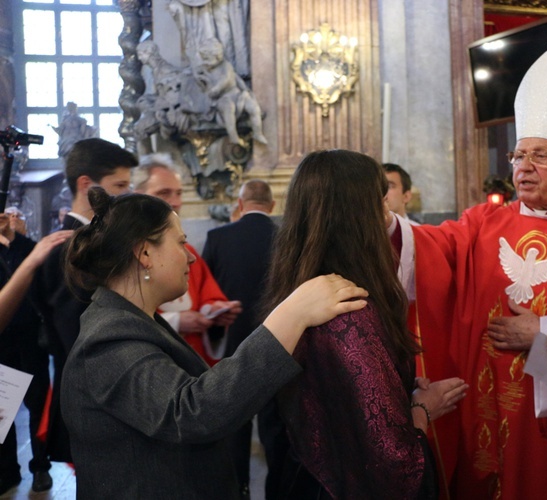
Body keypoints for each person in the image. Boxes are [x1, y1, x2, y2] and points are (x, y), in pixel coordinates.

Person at [390, 46, 547, 499]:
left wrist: (546, 333)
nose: (523, 168)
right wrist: (379, 221)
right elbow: (424, 249)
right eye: (518, 156)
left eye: (541, 156)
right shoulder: (481, 224)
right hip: (479, 408)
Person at [59, 186, 368, 499]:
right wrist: (290, 316)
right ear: (145, 253)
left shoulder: (131, 319)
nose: (191, 256)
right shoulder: (108, 337)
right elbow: (192, 412)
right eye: (181, 243)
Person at [265, 149, 469, 499]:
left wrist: (398, 383)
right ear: (357, 217)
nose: (386, 214)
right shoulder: (349, 316)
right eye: (379, 203)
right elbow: (394, 465)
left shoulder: (308, 291)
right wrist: (423, 408)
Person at [33, 137, 137, 464]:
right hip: (92, 402)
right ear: (86, 185)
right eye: (119, 185)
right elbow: (78, 338)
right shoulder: (71, 249)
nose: (126, 195)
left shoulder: (88, 242)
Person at [202, 178, 277, 498]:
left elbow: (203, 293)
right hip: (279, 345)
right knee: (277, 427)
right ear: (273, 207)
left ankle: (240, 490)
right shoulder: (288, 238)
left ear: (240, 204)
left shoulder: (217, 238)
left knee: (235, 426)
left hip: (232, 347)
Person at [133, 157, 241, 366]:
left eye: (179, 193)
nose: (175, 202)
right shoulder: (126, 256)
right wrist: (176, 322)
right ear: (138, 196)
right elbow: (123, 314)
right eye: (164, 193)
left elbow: (207, 296)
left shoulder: (188, 251)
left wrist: (214, 313)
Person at [0, 216, 70, 495]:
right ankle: (6, 470)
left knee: (37, 404)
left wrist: (19, 236)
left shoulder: (27, 247)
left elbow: (38, 274)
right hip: (2, 342)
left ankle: (40, 467)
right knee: (4, 407)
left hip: (31, 341)